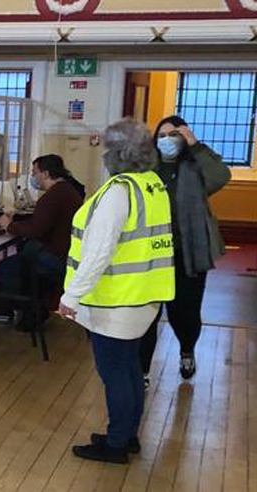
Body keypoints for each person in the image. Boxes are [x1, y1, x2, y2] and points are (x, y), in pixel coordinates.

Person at [58, 119, 175, 464]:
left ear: (117, 154)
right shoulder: (151, 184)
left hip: (117, 301)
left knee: (115, 373)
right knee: (129, 369)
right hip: (144, 296)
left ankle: (116, 444)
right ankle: (127, 434)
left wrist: (70, 297)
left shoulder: (117, 192)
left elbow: (98, 253)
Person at [139, 116, 230, 384]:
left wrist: (196, 145)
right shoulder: (147, 168)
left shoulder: (194, 165)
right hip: (151, 253)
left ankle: (187, 348)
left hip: (187, 253)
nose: (167, 140)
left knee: (184, 312)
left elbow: (221, 176)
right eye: (162, 135)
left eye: (174, 134)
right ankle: (142, 370)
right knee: (147, 314)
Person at [0, 155, 84, 329]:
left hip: (55, 257)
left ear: (45, 173)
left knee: (8, 267)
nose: (32, 176)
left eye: (34, 172)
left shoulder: (52, 197)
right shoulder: (67, 191)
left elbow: (36, 229)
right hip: (66, 254)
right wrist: (18, 220)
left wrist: (10, 226)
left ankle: (30, 308)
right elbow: (44, 221)